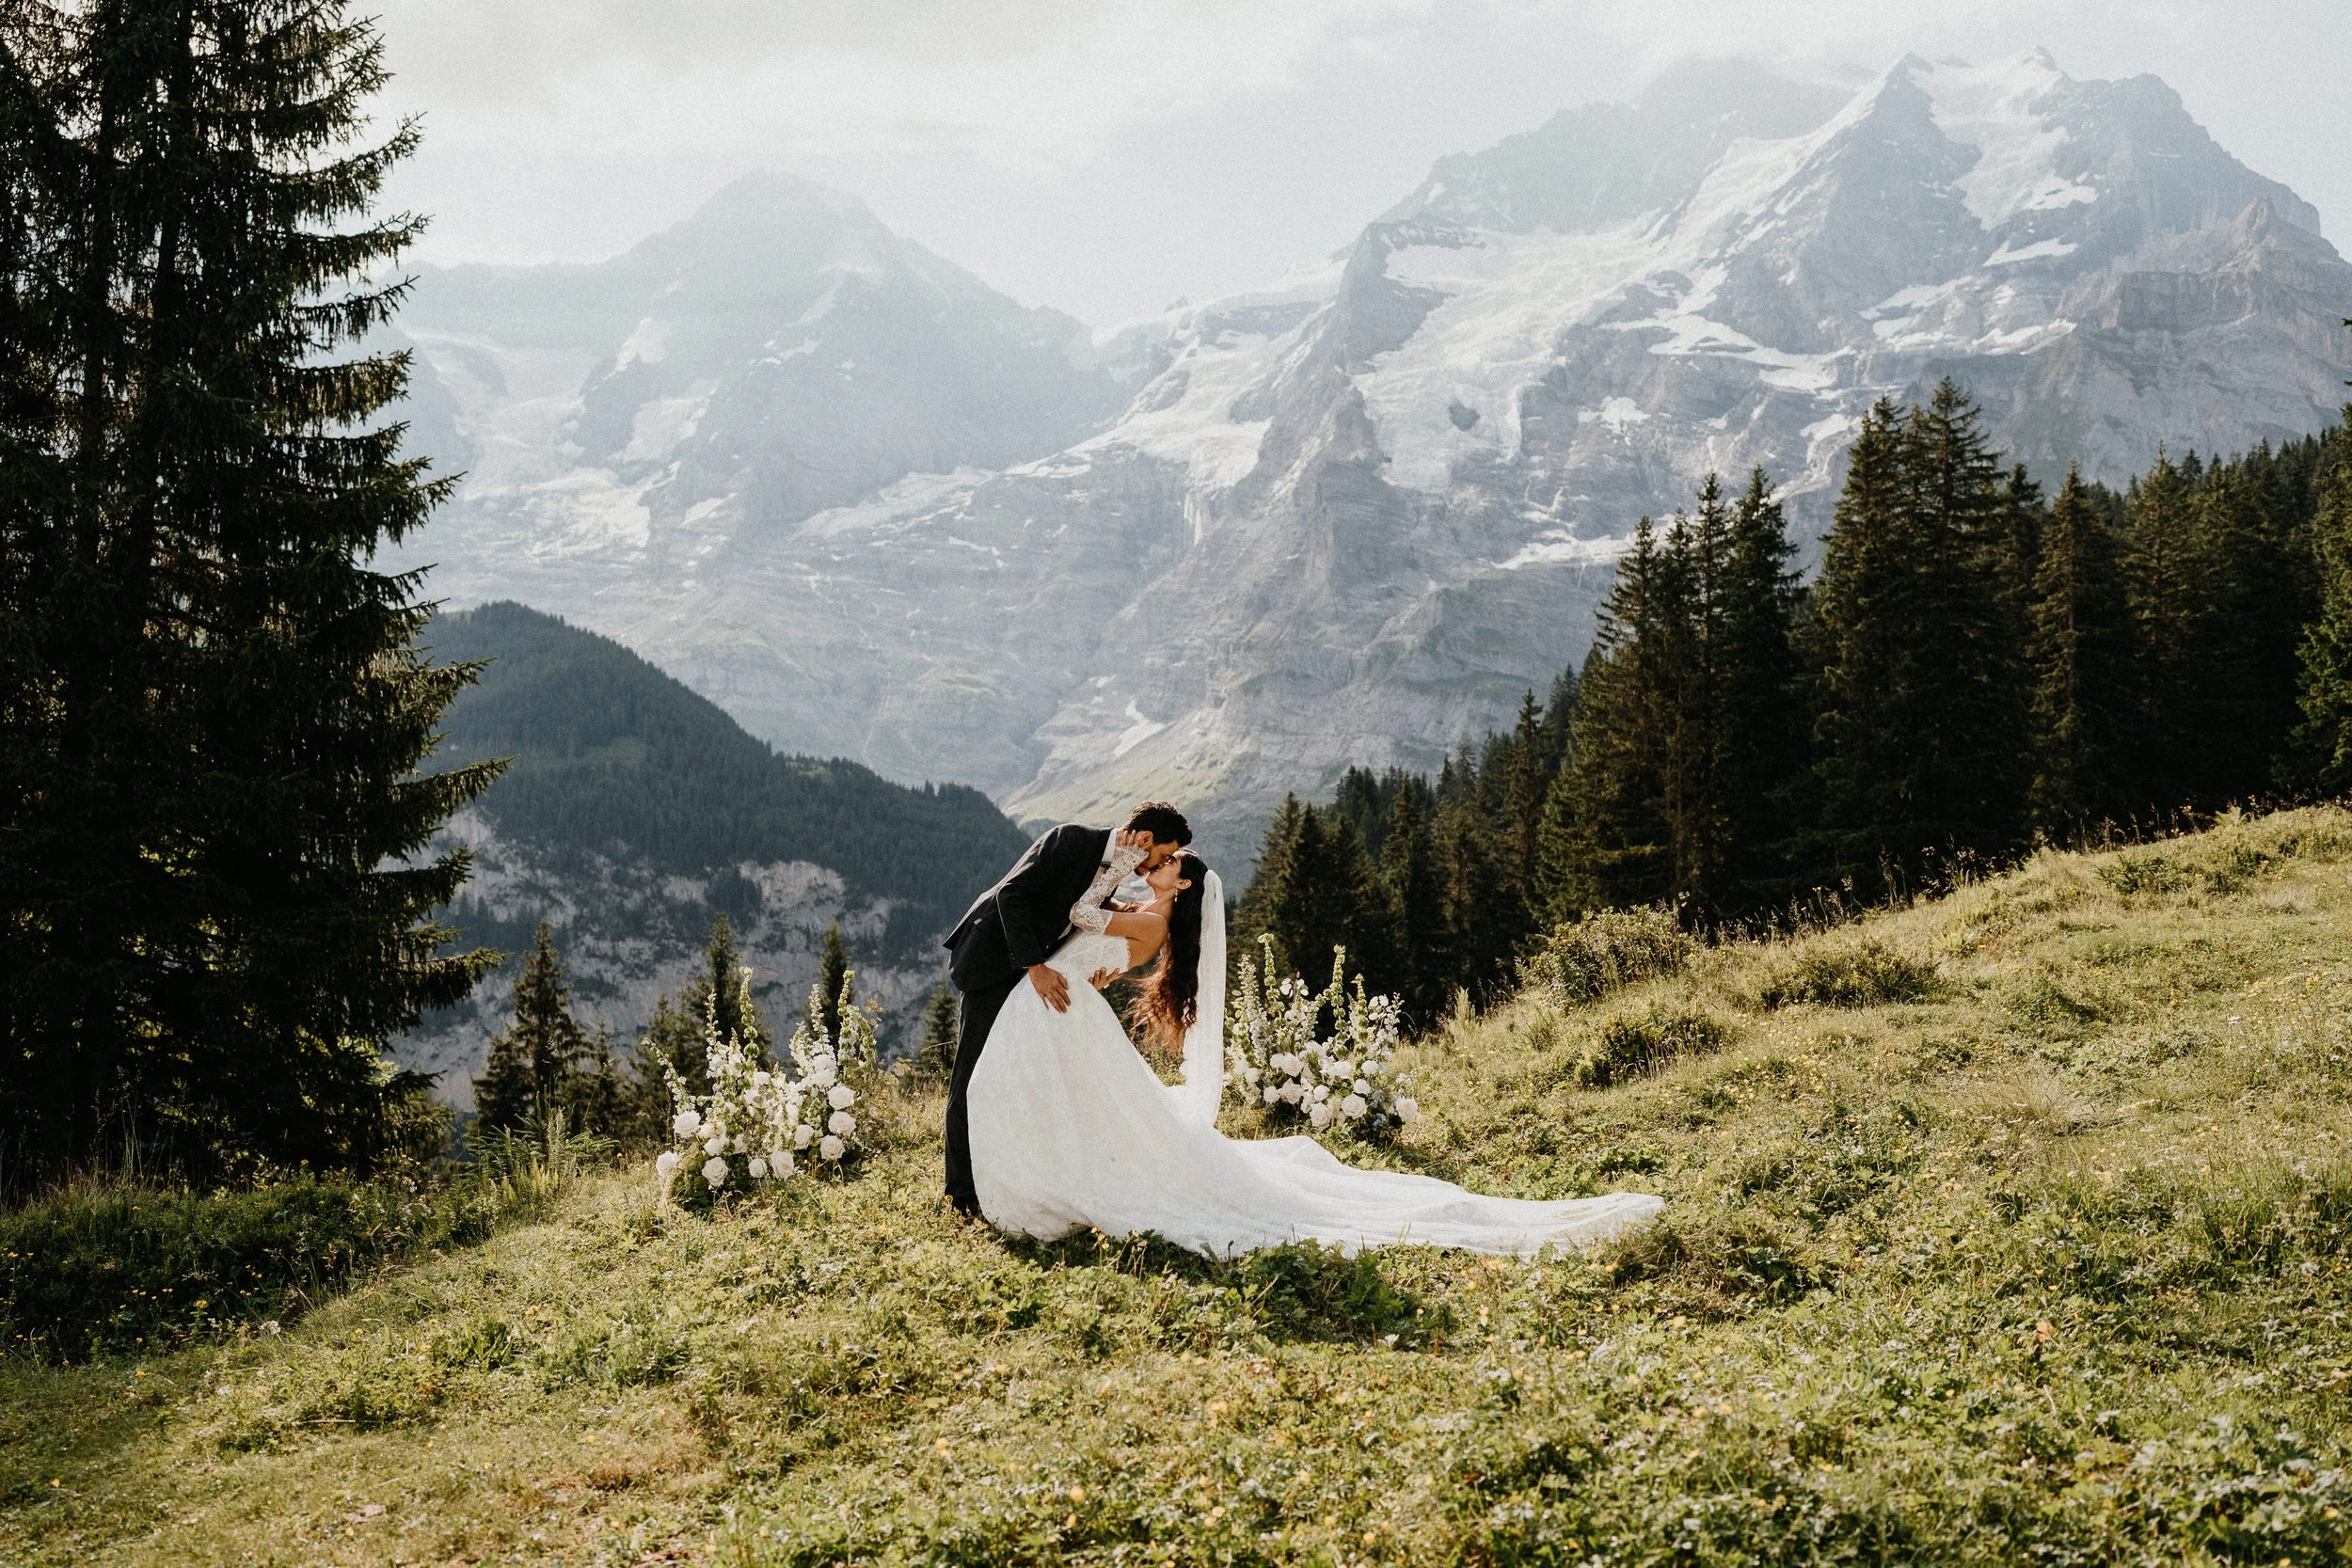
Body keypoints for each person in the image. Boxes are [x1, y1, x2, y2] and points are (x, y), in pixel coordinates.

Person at [961, 844, 1665, 1258]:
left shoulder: (1148, 924)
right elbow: (1100, 942)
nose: (1156, 866)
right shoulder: (1147, 921)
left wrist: (1096, 879)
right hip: (1063, 1007)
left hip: (1060, 1010)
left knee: (1061, 1107)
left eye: (1168, 865)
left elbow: (1081, 919)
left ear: (1183, 885)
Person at [940, 801, 1192, 1217]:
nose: (1159, 864)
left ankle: (1003, 1176)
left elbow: (1079, 916)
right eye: (1162, 854)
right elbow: (1010, 895)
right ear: (1146, 839)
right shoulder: (1071, 838)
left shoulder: (1114, 871)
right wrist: (1035, 967)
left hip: (1036, 980)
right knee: (972, 1076)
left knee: (1008, 1076)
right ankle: (961, 1195)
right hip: (994, 960)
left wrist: (1095, 964)